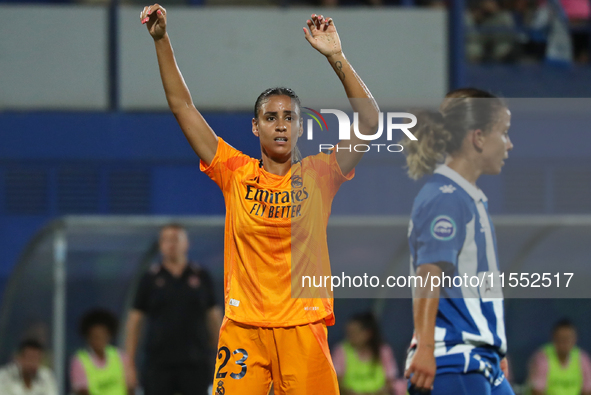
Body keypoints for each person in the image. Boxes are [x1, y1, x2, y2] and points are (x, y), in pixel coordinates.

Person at [139, 4, 379, 394]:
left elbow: (370, 122)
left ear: (301, 127)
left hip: (302, 328)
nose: (280, 124)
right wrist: (162, 40)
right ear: (255, 126)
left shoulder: (319, 176)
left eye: (289, 117)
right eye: (270, 117)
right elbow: (182, 106)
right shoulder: (235, 171)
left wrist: (337, 57)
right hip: (243, 330)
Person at [400, 88, 514, 395]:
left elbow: (483, 280)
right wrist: (426, 348)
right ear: (478, 137)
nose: (509, 144)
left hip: (480, 358)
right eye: (503, 133)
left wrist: (495, 342)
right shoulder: (445, 198)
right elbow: (429, 274)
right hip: (451, 359)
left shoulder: (469, 197)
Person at [125, 223, 222, 395]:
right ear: (160, 245)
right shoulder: (150, 278)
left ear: (187, 243)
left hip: (195, 363)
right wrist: (130, 364)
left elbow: (214, 317)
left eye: (176, 239)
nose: (171, 244)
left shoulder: (201, 275)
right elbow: (134, 322)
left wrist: (219, 353)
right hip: (158, 364)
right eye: (166, 240)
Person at [332, 312, 406, 395]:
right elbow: (337, 382)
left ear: (368, 333)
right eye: (349, 333)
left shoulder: (383, 351)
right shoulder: (341, 351)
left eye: (354, 333)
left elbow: (390, 380)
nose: (350, 337)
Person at [70, 308, 134, 395]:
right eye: (95, 336)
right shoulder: (80, 360)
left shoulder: (120, 356)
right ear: (88, 338)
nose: (99, 341)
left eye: (102, 336)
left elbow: (130, 387)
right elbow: (82, 391)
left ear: (109, 336)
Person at [528, 319, 591, 395]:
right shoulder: (542, 358)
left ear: (575, 339)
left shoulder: (582, 359)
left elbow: (587, 390)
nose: (564, 343)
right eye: (561, 338)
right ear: (554, 338)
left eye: (568, 338)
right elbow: (536, 391)